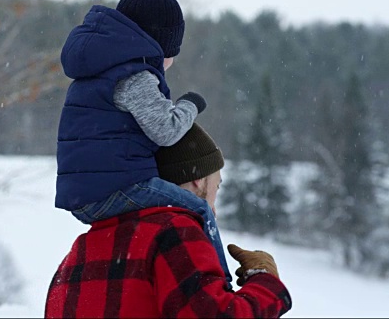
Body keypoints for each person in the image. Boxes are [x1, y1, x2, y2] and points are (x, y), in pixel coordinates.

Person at [55, 0, 233, 286]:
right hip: (116, 185)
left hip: (85, 189)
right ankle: (221, 284)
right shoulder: (134, 76)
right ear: (159, 44)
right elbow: (166, 130)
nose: (170, 62)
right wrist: (190, 105)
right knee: (198, 209)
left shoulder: (100, 70)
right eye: (171, 53)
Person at [46, 123, 292, 318]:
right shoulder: (173, 231)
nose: (214, 209)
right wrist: (265, 282)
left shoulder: (80, 251)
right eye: (217, 185)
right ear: (198, 179)